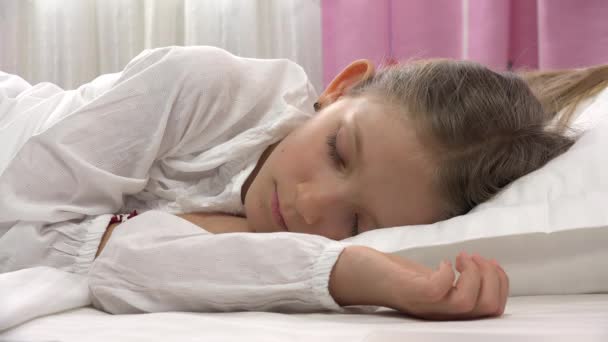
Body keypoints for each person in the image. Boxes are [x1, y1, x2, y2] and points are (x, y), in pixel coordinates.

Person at [1, 46, 606, 320]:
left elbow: (99, 262)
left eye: (358, 225)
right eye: (338, 152)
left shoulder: (291, 232)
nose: (312, 206)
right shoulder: (202, 86)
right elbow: (20, 236)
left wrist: (345, 275)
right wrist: (324, 267)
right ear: (339, 88)